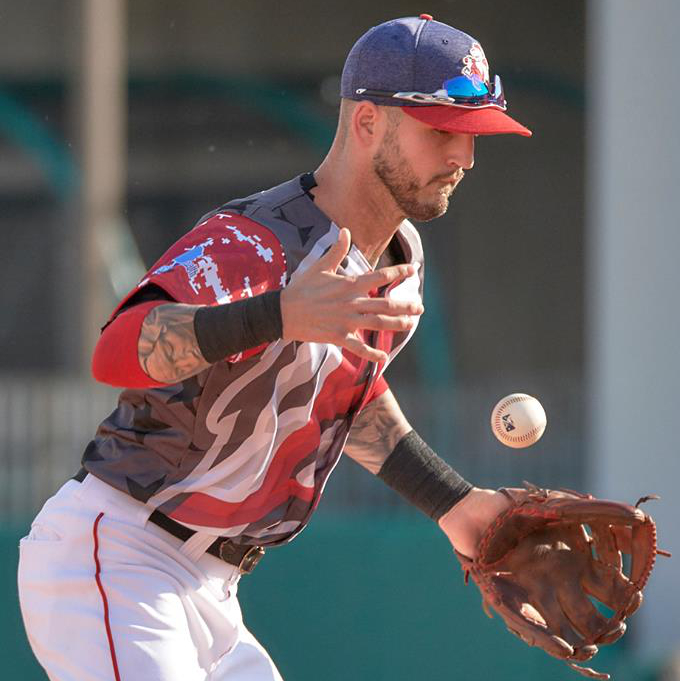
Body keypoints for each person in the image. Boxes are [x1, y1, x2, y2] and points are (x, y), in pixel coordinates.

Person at [18, 15, 532, 681]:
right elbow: (117, 348)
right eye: (442, 131)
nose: (463, 157)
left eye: (473, 135)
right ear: (367, 122)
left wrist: (452, 502)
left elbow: (344, 391)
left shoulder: (400, 258)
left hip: (214, 593)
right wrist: (278, 313)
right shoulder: (257, 243)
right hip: (121, 555)